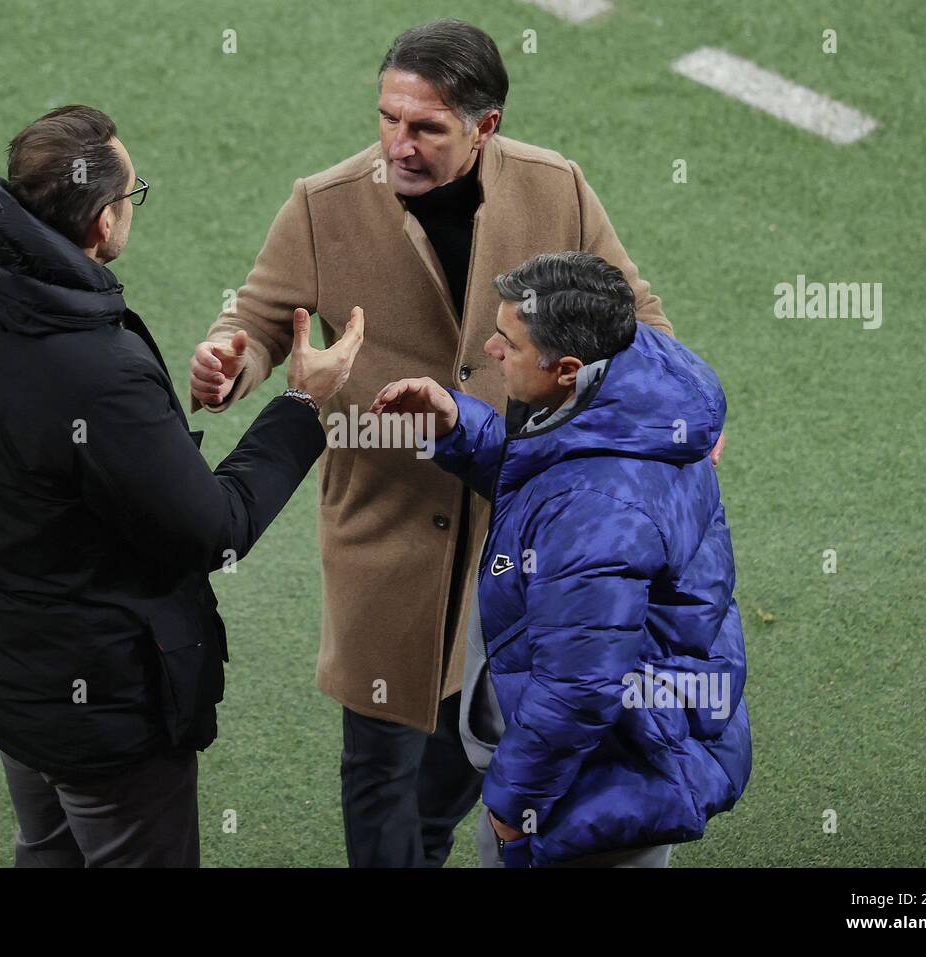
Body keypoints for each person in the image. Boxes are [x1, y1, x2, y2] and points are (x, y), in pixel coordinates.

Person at [188, 18, 704, 868]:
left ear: (484, 126)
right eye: (388, 118)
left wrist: (672, 419)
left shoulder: (556, 189)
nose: (399, 143)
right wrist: (227, 366)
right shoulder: (323, 203)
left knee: (462, 759)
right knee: (380, 768)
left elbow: (638, 319)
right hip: (383, 532)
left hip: (512, 529)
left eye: (426, 126)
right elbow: (253, 320)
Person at [0, 105, 363, 867]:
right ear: (103, 221)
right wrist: (304, 403)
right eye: (132, 194)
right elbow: (215, 527)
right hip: (101, 704)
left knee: (46, 847)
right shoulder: (100, 373)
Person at [370, 251, 751, 867]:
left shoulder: (597, 512)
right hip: (622, 764)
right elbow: (554, 475)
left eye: (508, 343)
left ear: (568, 369)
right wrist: (455, 424)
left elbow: (579, 688)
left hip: (584, 794)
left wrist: (512, 812)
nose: (490, 350)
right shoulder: (638, 394)